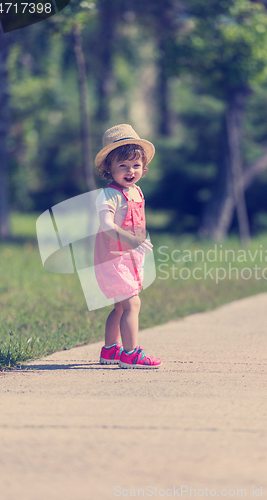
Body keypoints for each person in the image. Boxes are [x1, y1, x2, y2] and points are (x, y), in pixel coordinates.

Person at [94, 124, 161, 369]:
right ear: (108, 168)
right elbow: (106, 225)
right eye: (122, 165)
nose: (130, 171)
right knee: (132, 303)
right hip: (112, 257)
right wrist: (133, 240)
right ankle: (131, 354)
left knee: (120, 306)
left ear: (143, 166)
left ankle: (110, 349)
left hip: (130, 257)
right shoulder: (109, 195)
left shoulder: (137, 191)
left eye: (135, 165)